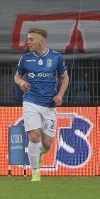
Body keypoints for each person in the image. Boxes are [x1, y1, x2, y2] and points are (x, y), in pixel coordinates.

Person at [14, 27, 70, 182]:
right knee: (34, 136)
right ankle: (35, 173)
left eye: (31, 39)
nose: (28, 42)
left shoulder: (56, 57)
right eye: (28, 39)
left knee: (46, 144)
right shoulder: (26, 59)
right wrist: (22, 83)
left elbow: (65, 77)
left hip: (49, 104)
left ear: (42, 41)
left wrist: (60, 95)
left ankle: (38, 155)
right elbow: (17, 77)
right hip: (30, 101)